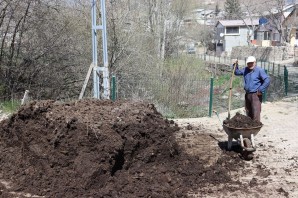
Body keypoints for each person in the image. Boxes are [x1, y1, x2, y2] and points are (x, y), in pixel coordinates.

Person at [233, 56, 270, 122]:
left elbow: (267, 80)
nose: (250, 65)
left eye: (251, 63)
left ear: (255, 62)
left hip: (256, 95)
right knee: (248, 111)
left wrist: (261, 89)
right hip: (247, 94)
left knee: (255, 112)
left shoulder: (259, 70)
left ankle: (256, 128)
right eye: (248, 63)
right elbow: (237, 72)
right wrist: (235, 65)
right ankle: (249, 127)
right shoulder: (246, 70)